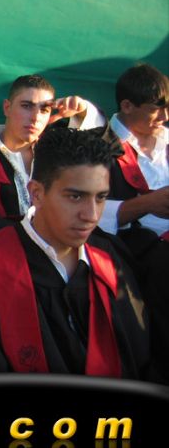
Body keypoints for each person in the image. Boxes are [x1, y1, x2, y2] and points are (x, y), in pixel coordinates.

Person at [0, 127, 149, 378]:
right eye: (75, 197)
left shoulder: (108, 258)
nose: (91, 215)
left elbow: (141, 355)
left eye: (100, 198)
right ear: (36, 193)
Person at [0, 74, 104, 245]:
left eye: (44, 110)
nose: (35, 117)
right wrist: (35, 236)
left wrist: (83, 111)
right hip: (0, 250)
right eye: (26, 106)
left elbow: (109, 148)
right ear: (7, 108)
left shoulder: (57, 152)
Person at [97, 63, 168, 382]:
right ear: (126, 106)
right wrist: (145, 205)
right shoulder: (98, 145)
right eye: (156, 110)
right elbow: (86, 209)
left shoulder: (166, 139)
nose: (165, 117)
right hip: (132, 247)